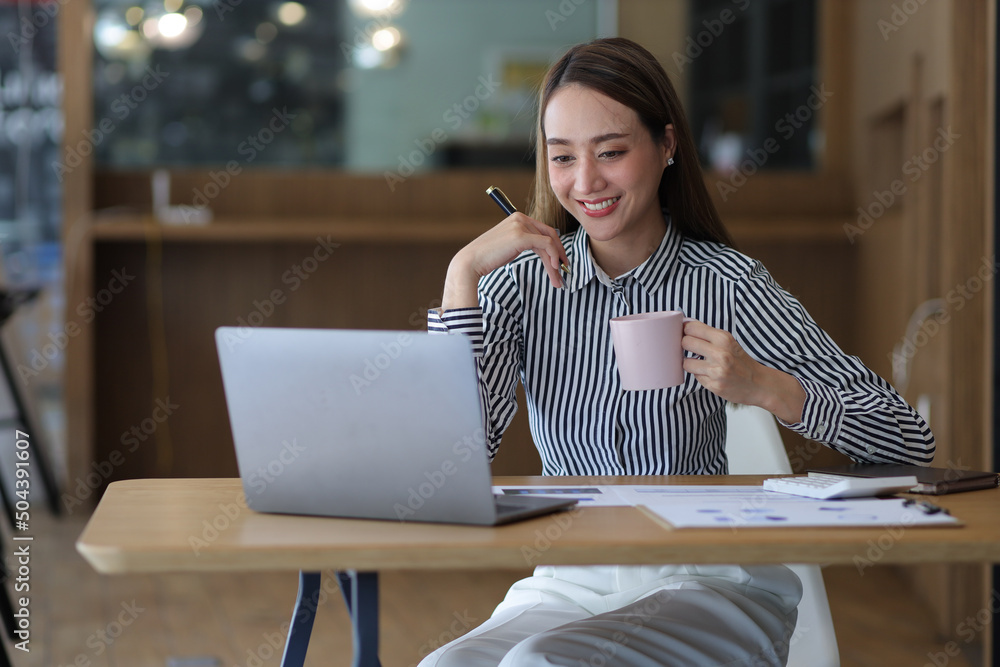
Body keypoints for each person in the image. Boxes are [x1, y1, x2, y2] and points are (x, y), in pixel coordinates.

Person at [422, 37, 935, 667]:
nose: (586, 183)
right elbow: (447, 457)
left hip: (707, 581)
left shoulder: (728, 284)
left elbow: (909, 443)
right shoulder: (520, 285)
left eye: (611, 152)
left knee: (542, 664)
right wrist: (462, 274)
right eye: (562, 158)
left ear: (666, 146)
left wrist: (767, 389)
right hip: (573, 579)